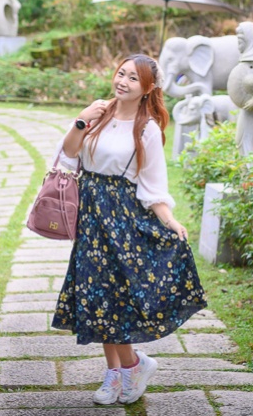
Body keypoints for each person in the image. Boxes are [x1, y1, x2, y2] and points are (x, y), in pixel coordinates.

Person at [51, 54, 207, 405]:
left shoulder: (147, 128)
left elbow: (152, 187)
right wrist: (80, 121)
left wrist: (170, 220)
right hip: (91, 219)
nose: (122, 81)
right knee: (98, 297)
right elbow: (68, 155)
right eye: (120, 74)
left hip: (122, 221)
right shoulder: (98, 112)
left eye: (132, 79)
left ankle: (129, 368)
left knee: (115, 301)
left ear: (147, 88)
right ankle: (121, 372)